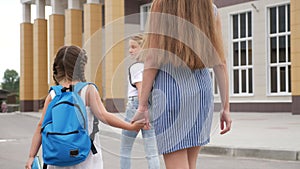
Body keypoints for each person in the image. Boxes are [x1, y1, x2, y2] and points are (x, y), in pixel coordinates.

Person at [132, 0, 232, 169]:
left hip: (171, 93)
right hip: (201, 92)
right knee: (190, 164)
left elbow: (152, 59)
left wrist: (142, 106)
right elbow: (220, 62)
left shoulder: (161, 5)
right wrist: (225, 107)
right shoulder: (210, 8)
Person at [25, 45, 145, 169]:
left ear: (57, 68)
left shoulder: (53, 94)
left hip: (58, 158)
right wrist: (130, 126)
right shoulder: (87, 90)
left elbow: (41, 126)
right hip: (85, 158)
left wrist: (31, 156)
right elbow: (104, 116)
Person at [120, 34, 160, 169]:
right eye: (129, 48)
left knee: (125, 149)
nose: (130, 50)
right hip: (149, 106)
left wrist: (142, 110)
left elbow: (141, 89)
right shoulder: (150, 67)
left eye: (133, 47)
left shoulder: (137, 67)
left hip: (137, 107)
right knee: (152, 152)